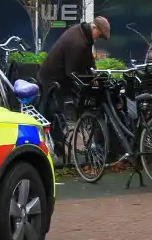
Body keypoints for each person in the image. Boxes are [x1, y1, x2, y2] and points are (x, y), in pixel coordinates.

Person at [37, 17, 111, 156]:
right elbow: (71, 72)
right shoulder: (77, 42)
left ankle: (58, 148)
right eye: (99, 35)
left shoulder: (83, 33)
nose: (98, 38)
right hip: (51, 78)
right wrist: (89, 80)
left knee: (57, 113)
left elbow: (88, 59)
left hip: (60, 76)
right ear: (94, 28)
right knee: (54, 114)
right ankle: (55, 152)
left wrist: (94, 75)